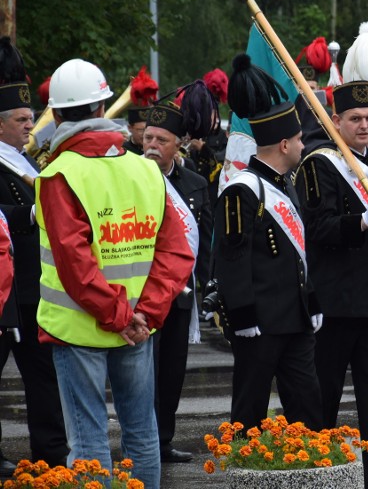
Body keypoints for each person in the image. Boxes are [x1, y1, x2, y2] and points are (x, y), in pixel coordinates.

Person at [35, 58, 194, 489]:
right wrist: (147, 314)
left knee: (88, 444)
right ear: (103, 106)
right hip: (139, 329)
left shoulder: (57, 174)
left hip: (81, 329)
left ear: (58, 114)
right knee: (142, 436)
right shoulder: (145, 168)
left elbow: (75, 264)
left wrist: (123, 316)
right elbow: (177, 252)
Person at [295, 80, 368, 489]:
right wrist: (361, 222)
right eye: (355, 119)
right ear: (336, 121)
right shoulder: (318, 164)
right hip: (337, 299)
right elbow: (317, 227)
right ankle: (319, 470)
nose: (364, 126)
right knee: (324, 393)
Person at [215, 55, 323, 432]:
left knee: (308, 407)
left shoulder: (287, 183)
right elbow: (231, 258)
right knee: (249, 411)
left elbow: (297, 255)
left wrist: (310, 300)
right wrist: (242, 316)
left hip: (294, 320)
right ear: (282, 144)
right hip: (259, 322)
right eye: (298, 139)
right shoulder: (242, 190)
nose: (302, 144)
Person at [0, 45, 68, 470]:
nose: (32, 126)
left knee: (45, 377)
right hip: (5, 291)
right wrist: (27, 212)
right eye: (23, 120)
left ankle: (52, 452)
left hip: (35, 290)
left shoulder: (24, 161)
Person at [142, 100, 213, 463]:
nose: (152, 145)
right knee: (144, 372)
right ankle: (143, 441)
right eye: (148, 137)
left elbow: (204, 237)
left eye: (161, 140)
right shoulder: (131, 175)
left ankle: (164, 439)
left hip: (182, 293)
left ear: (179, 145)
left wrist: (210, 284)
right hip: (142, 290)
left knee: (172, 369)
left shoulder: (195, 183)